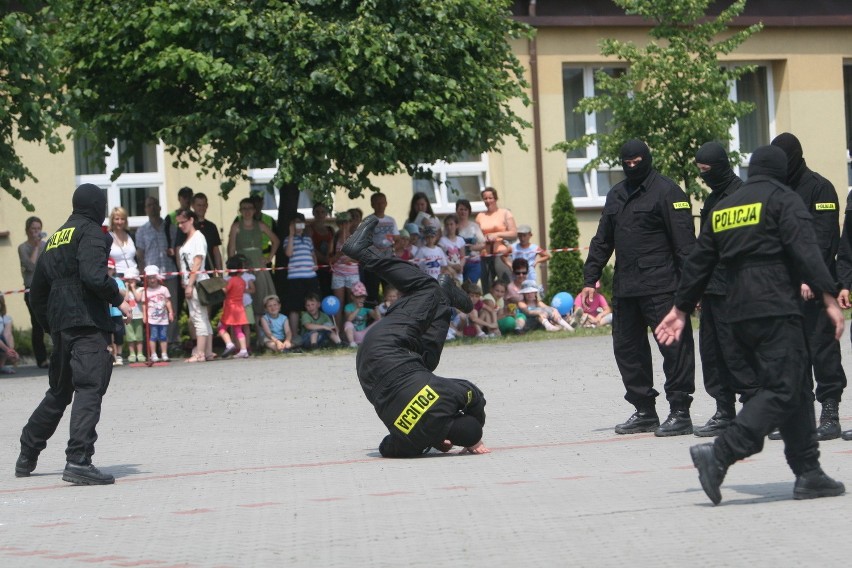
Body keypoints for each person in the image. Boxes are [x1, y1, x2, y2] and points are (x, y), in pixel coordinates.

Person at [655, 145, 846, 504]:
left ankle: (809, 473)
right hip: (775, 306)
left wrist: (680, 308)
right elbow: (807, 249)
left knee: (795, 388)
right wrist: (829, 298)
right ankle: (721, 453)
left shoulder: (726, 207)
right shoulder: (782, 198)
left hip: (735, 310)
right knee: (783, 389)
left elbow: (700, 260)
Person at [343, 215, 490, 457]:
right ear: (448, 440)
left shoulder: (448, 394)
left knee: (425, 288)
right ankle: (445, 296)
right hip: (368, 368)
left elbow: (475, 395)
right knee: (426, 361)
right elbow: (385, 448)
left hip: (386, 343)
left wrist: (474, 434)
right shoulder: (410, 444)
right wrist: (429, 438)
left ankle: (364, 252)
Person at [16, 183, 131, 485]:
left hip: (62, 327)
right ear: (96, 206)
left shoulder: (54, 238)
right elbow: (94, 276)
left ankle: (27, 452)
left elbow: (37, 291)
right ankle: (78, 460)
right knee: (89, 388)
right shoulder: (92, 232)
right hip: (87, 326)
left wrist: (49, 326)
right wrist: (118, 297)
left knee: (59, 391)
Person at [582, 139, 697, 437]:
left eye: (637, 162)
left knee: (674, 350)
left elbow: (685, 247)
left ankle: (680, 411)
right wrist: (589, 278)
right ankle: (644, 410)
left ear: (647, 158)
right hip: (625, 288)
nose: (632, 167)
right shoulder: (617, 194)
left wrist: (691, 290)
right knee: (627, 350)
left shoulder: (668, 191)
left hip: (662, 287)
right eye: (627, 163)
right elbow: (602, 240)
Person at [771, 132, 846, 441]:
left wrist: (810, 278)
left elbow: (825, 239)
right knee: (789, 354)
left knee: (823, 350)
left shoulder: (819, 187)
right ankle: (795, 419)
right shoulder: (776, 190)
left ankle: (829, 413)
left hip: (815, 288)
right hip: (783, 289)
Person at [688, 142, 744, 437]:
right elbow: (704, 248)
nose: (704, 176)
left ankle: (754, 408)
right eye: (700, 171)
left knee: (738, 351)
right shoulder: (712, 201)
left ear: (721, 165)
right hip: (711, 288)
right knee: (712, 352)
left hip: (736, 289)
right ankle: (724, 410)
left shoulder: (741, 196)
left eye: (707, 170)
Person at [135, 196, 180, 349]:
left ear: (160, 208)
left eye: (154, 205)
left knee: (170, 307)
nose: (152, 208)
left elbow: (177, 250)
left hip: (170, 273)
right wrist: (143, 277)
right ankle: (155, 343)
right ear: (146, 209)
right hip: (152, 277)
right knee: (153, 309)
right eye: (149, 205)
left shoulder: (171, 228)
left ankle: (172, 342)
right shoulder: (142, 231)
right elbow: (140, 255)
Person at [227, 198, 279, 328]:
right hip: (243, 267)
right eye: (244, 208)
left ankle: (266, 333)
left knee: (263, 298)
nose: (247, 211)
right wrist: (234, 269)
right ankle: (250, 335)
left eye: (249, 208)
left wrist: (269, 257)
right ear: (240, 211)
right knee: (246, 300)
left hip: (259, 265)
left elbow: (276, 241)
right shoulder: (236, 226)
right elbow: (231, 248)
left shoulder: (261, 225)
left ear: (254, 210)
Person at [178, 208, 215, 363]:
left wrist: (189, 284)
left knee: (198, 317)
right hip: (191, 282)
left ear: (191, 220)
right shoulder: (189, 239)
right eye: (179, 223)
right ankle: (207, 352)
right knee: (201, 317)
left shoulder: (198, 237)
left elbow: (198, 261)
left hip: (197, 283)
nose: (181, 225)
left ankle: (200, 353)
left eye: (183, 222)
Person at [281, 213, 320, 339]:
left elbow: (312, 253)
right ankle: (294, 335)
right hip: (295, 277)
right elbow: (288, 253)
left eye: (300, 223)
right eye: (295, 223)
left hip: (310, 276)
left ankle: (316, 333)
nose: (299, 226)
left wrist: (315, 264)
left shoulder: (308, 239)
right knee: (294, 306)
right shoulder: (288, 239)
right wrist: (292, 234)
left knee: (313, 304)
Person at [17, 216, 48, 368]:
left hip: (46, 288)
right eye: (33, 229)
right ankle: (41, 359)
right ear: (27, 231)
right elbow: (31, 266)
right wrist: (36, 247)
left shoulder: (46, 245)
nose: (37, 232)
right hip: (31, 290)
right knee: (37, 324)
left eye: (38, 229)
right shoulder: (23, 248)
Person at [476, 187, 517, 294]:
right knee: (487, 288)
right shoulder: (480, 216)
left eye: (490, 198)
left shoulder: (505, 213)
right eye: (485, 198)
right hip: (485, 255)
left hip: (501, 254)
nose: (488, 201)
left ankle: (511, 308)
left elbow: (513, 233)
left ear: (496, 198)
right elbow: (476, 236)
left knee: (507, 284)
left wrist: (497, 234)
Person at [363, 193, 399, 307]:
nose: (380, 205)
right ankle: (372, 318)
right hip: (373, 261)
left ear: (386, 203)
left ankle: (390, 314)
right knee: (372, 290)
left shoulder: (391, 220)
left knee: (389, 289)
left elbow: (397, 239)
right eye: (377, 203)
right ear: (372, 204)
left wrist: (392, 249)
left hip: (388, 260)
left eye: (382, 202)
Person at [219, 255, 250, 359]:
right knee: (238, 330)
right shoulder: (242, 281)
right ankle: (244, 350)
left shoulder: (231, 281)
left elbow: (224, 291)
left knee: (222, 328)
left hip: (230, 307)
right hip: (240, 308)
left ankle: (229, 344)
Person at [141, 265, 173, 363]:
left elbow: (168, 301)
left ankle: (164, 353)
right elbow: (144, 305)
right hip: (152, 318)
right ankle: (154, 354)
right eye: (150, 278)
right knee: (153, 336)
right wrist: (145, 316)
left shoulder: (163, 289)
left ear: (157, 278)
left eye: (153, 277)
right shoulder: (146, 291)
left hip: (163, 317)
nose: (152, 280)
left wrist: (170, 312)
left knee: (163, 336)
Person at [192, 193, 223, 277]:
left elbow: (216, 251)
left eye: (203, 205)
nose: (201, 208)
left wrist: (220, 274)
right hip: (192, 272)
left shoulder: (212, 227)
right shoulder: (188, 226)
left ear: (207, 206)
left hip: (209, 272)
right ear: (193, 206)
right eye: (199, 205)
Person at [456, 199, 486, 287]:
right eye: (461, 209)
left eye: (465, 209)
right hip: (457, 264)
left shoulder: (474, 226)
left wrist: (471, 248)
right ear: (456, 210)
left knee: (470, 289)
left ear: (469, 211)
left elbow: (483, 244)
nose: (463, 212)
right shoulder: (452, 225)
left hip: (473, 263)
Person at [309, 202, 335, 299]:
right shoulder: (309, 229)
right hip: (317, 266)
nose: (320, 214)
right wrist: (324, 259)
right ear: (313, 213)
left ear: (326, 214)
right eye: (317, 212)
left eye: (322, 212)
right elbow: (311, 248)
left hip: (330, 266)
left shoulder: (330, 229)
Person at [122, 267, 145, 363]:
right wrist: (127, 288)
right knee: (130, 336)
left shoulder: (141, 289)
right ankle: (132, 354)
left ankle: (140, 353)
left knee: (139, 335)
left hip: (138, 315)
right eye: (129, 280)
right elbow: (126, 299)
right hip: (127, 317)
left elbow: (138, 299)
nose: (131, 281)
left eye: (132, 280)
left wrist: (133, 288)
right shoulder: (124, 290)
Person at [107, 258, 127, 366]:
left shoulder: (117, 281)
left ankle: (119, 355)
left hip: (116, 312)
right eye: (106, 268)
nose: (108, 270)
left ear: (113, 269)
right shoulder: (101, 280)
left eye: (110, 268)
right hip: (106, 313)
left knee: (119, 334)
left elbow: (124, 294)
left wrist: (114, 287)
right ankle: (111, 355)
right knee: (108, 336)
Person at [343, 281, 375, 348]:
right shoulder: (348, 307)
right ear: (352, 296)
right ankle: (352, 343)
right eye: (358, 297)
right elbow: (349, 319)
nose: (361, 299)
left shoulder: (366, 306)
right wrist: (357, 308)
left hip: (364, 334)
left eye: (363, 297)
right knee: (348, 323)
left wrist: (376, 308)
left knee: (380, 321)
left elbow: (377, 318)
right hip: (353, 334)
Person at [107, 207, 137, 277]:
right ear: (112, 220)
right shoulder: (107, 237)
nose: (120, 222)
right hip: (117, 277)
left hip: (134, 276)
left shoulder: (131, 235)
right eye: (117, 219)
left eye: (122, 219)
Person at [439, 214, 466, 283]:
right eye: (447, 225)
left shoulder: (460, 240)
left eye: (451, 224)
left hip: (458, 272)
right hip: (448, 270)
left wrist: (461, 266)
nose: (449, 227)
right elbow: (441, 258)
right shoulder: (442, 241)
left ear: (456, 225)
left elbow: (463, 256)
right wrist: (452, 266)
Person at [0, 293, 20, 374]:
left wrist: (12, 351)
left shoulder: (6, 318)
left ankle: (1, 366)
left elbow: (8, 334)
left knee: (5, 338)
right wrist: (6, 349)